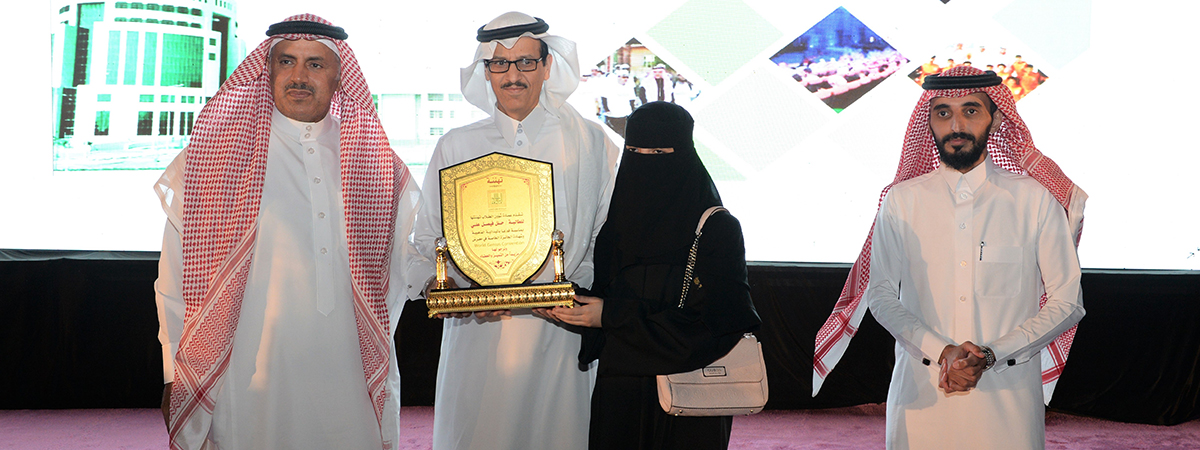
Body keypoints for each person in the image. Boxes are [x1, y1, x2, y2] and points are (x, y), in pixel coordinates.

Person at [152, 14, 420, 450]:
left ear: (339, 76)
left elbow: (404, 267)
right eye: (286, 61)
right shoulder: (215, 156)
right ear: (268, 70)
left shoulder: (375, 161)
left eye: (315, 64)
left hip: (349, 372)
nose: (299, 76)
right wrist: (173, 372)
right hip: (248, 373)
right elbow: (176, 277)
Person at [812, 67, 1087, 449]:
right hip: (921, 400)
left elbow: (1067, 302)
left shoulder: (1034, 199)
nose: (956, 125)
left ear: (996, 119)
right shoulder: (902, 201)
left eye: (971, 111)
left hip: (1007, 400)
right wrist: (941, 351)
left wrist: (991, 355)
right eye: (943, 113)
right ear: (929, 123)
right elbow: (881, 295)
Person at [408, 12, 620, 450]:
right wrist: (457, 286)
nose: (513, 75)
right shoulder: (457, 144)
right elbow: (428, 238)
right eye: (499, 63)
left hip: (560, 334)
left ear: (547, 66)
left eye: (525, 62)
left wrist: (573, 293)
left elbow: (607, 236)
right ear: (485, 71)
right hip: (478, 334)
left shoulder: (590, 142)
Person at [551, 102, 761, 449]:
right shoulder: (616, 228)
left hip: (690, 397)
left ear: (684, 154)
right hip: (621, 393)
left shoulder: (717, 228)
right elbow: (607, 303)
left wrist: (611, 315)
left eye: (660, 152)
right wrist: (571, 306)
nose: (645, 161)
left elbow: (718, 324)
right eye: (635, 152)